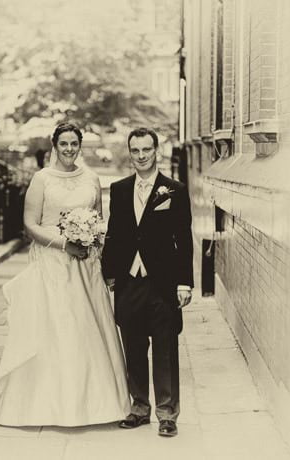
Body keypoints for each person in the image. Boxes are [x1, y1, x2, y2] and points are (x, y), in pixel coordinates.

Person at [0, 122, 130, 427]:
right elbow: (30, 224)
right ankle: (48, 405)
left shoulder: (92, 178)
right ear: (54, 145)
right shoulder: (42, 179)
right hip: (53, 263)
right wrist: (63, 243)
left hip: (86, 264)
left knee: (87, 325)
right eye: (64, 143)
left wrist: (92, 238)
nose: (69, 149)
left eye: (74, 144)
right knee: (57, 325)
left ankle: (97, 405)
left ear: (79, 146)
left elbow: (99, 219)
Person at [101, 127, 194, 437]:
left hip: (163, 283)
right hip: (129, 282)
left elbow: (183, 238)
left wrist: (184, 282)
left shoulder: (175, 190)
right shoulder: (118, 189)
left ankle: (167, 413)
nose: (141, 156)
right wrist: (110, 274)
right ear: (130, 153)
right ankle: (139, 408)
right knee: (134, 347)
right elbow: (114, 234)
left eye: (146, 150)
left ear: (157, 151)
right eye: (136, 150)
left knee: (165, 348)